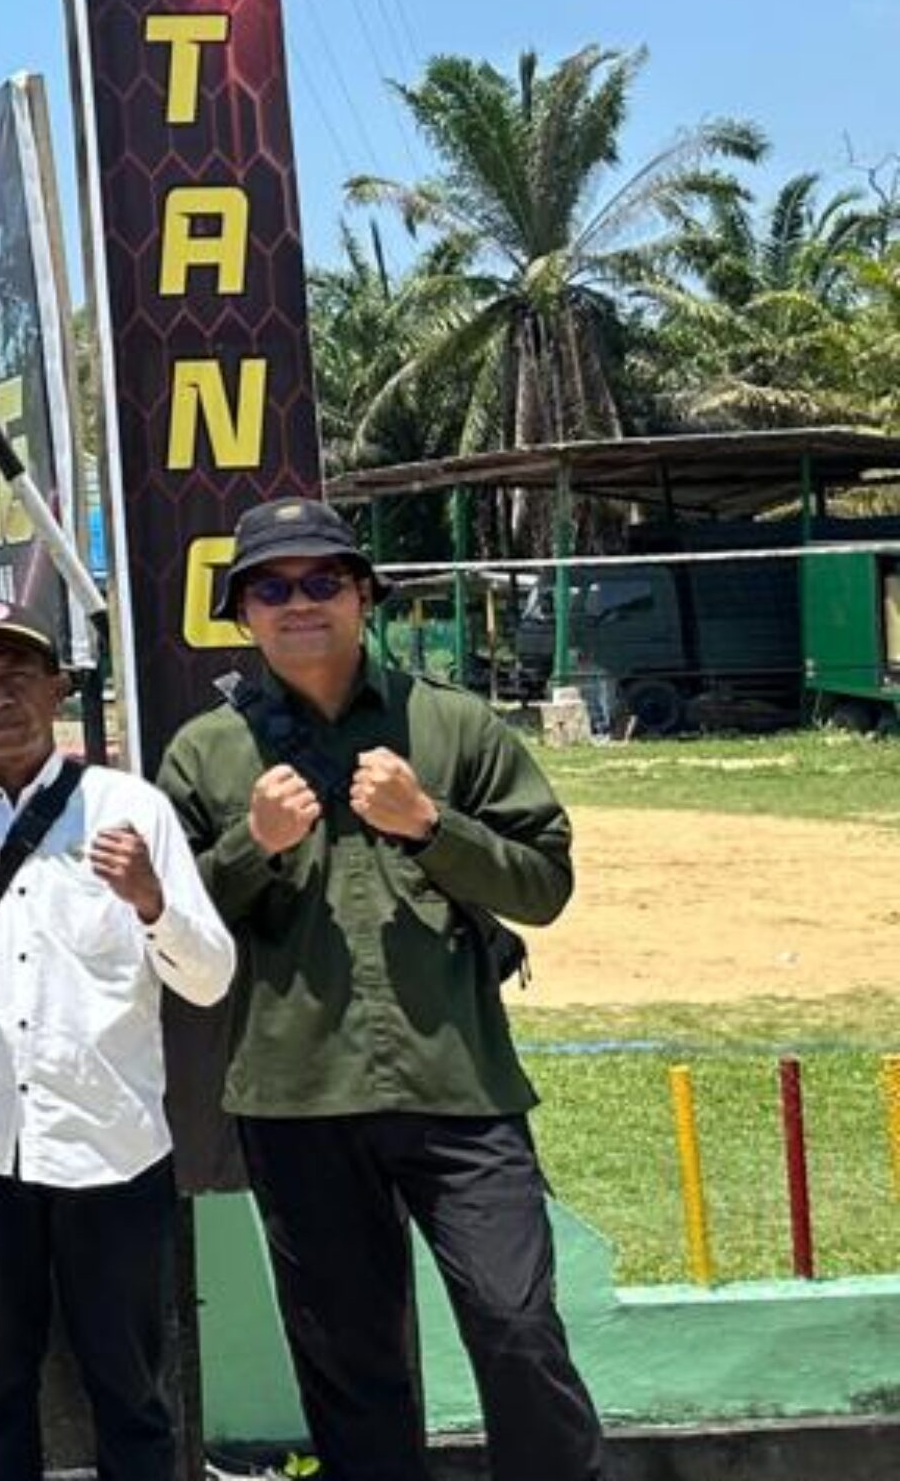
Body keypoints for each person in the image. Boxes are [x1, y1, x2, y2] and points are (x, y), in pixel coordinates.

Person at [158, 498, 604, 1481]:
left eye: (323, 580)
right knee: (350, 1367)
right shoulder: (204, 753)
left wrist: (430, 825)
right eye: (271, 588)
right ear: (242, 615)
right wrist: (253, 846)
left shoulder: (450, 723)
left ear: (363, 595)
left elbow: (545, 886)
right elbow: (173, 932)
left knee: (517, 1325)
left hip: (459, 1086)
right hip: (296, 1096)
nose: (298, 603)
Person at [0, 601, 233, 1481]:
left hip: (110, 1146)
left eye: (18, 675)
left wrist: (152, 901)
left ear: (58, 688)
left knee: (133, 1394)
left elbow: (210, 978)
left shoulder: (129, 809)